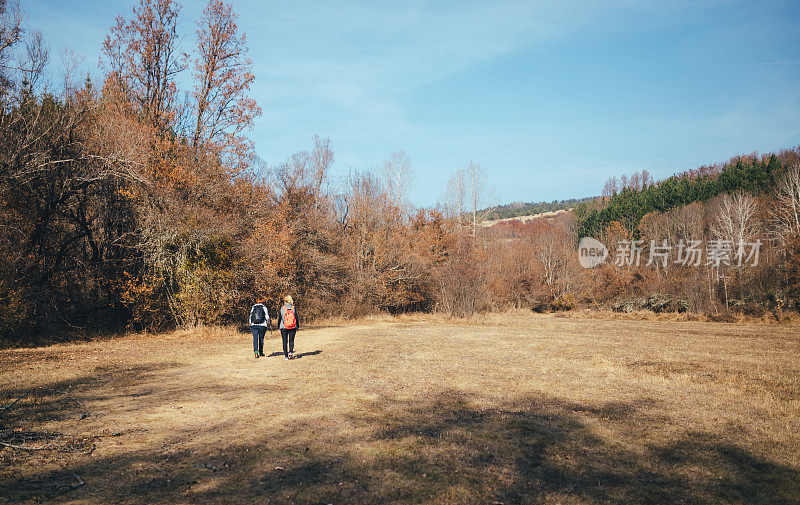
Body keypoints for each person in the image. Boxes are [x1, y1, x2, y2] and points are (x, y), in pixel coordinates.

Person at [276, 295, 299, 360]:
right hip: (293, 326)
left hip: (283, 327)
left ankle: (286, 356)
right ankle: (291, 352)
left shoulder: (282, 308)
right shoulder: (293, 307)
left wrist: (278, 328)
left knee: (284, 341)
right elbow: (296, 317)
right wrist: (297, 326)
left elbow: (279, 318)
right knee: (291, 340)